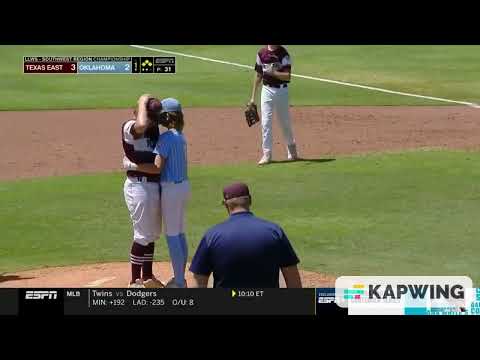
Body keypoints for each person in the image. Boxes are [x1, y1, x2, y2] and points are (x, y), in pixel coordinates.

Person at [124, 98, 190, 288]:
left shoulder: (166, 138)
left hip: (171, 189)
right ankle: (180, 279)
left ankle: (178, 282)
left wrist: (131, 165)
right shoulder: (179, 135)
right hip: (183, 186)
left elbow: (157, 168)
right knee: (179, 234)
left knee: (172, 236)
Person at [189, 182, 302, 288]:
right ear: (250, 200)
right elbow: (293, 281)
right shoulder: (274, 231)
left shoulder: (212, 235)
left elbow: (199, 282)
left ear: (225, 204)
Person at [121, 94, 165, 288]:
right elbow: (139, 126)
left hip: (154, 185)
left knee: (153, 233)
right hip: (138, 186)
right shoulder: (129, 127)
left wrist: (136, 165)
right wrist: (142, 100)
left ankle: (147, 277)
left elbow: (158, 167)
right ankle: (134, 281)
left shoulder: (155, 130)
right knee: (142, 234)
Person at [249, 45, 299, 165]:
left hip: (281, 91)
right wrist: (252, 98)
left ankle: (292, 151)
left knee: (284, 122)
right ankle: (267, 154)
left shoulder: (283, 53)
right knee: (266, 122)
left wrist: (274, 73)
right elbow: (258, 75)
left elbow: (287, 76)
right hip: (266, 91)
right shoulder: (261, 53)